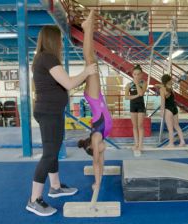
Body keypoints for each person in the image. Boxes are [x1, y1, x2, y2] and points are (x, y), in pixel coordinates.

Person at [26, 25, 98, 217]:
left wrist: (83, 77)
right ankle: (33, 200)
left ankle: (55, 187)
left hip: (52, 111)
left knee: (53, 151)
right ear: (53, 40)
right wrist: (87, 71)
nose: (61, 43)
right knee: (49, 154)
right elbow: (68, 83)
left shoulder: (44, 58)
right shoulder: (47, 58)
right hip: (48, 112)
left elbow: (63, 84)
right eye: (60, 40)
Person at [77, 10, 112, 192]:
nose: (102, 151)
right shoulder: (101, 136)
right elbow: (102, 161)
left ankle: (86, 28)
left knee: (90, 60)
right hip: (97, 96)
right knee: (92, 60)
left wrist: (97, 183)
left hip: (94, 97)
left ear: (92, 146)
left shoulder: (97, 137)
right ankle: (87, 28)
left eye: (99, 150)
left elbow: (97, 162)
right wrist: (102, 174)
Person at [125, 65, 147, 156]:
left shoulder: (143, 83)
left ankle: (141, 145)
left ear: (141, 75)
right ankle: (136, 143)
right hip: (133, 106)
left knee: (140, 125)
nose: (136, 76)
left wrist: (137, 83)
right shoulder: (128, 85)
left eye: (138, 74)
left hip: (141, 106)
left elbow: (141, 93)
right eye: (135, 74)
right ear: (132, 74)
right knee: (134, 126)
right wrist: (136, 96)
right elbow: (127, 97)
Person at [159, 74, 186, 148]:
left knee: (170, 128)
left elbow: (163, 101)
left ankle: (171, 143)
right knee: (177, 126)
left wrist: (162, 111)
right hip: (174, 108)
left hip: (168, 109)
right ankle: (182, 141)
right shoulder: (171, 88)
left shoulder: (162, 89)